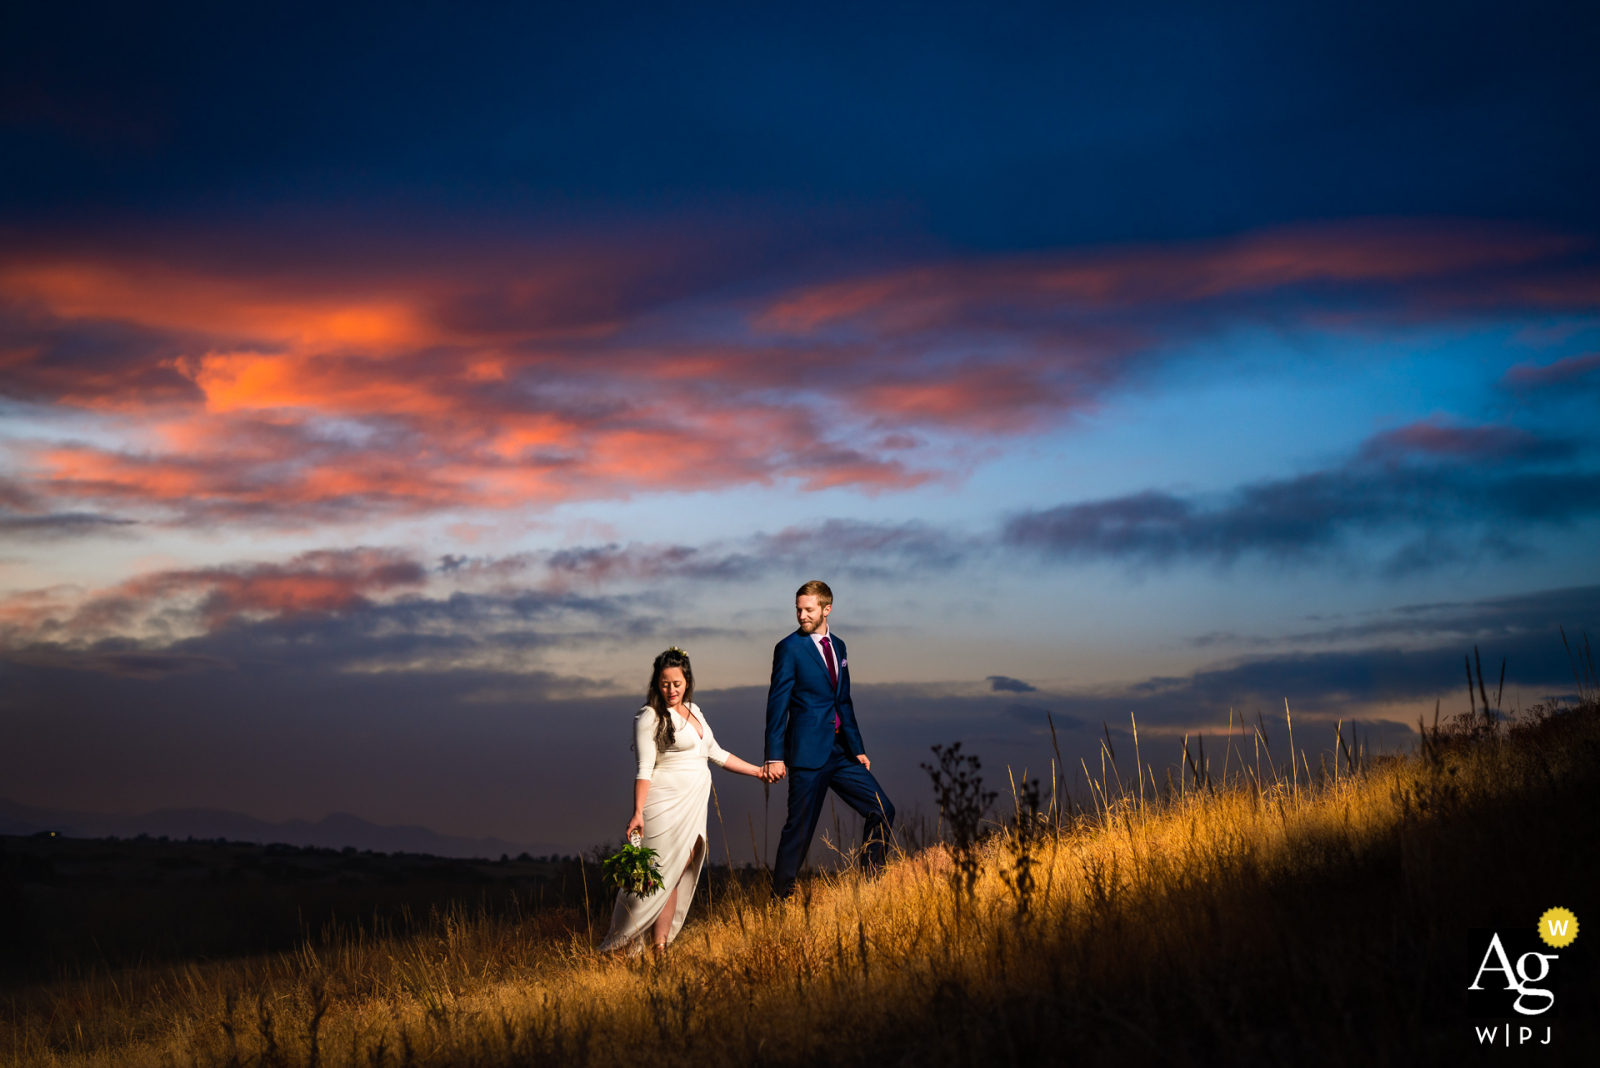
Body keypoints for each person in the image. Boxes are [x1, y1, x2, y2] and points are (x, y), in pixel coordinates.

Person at [598, 647, 768, 953]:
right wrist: (638, 812)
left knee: (675, 876)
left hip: (692, 807)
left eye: (676, 683)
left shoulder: (695, 710)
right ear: (656, 683)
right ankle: (618, 946)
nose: (671, 690)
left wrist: (757, 772)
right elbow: (644, 768)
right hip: (663, 806)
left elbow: (716, 754)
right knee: (653, 877)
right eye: (664, 683)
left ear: (686, 681)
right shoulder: (648, 716)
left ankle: (659, 949)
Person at [763, 580, 895, 900]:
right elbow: (777, 704)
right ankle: (781, 900)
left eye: (808, 609)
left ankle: (869, 886)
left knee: (883, 810)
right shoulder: (789, 648)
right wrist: (773, 755)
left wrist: (858, 749)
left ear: (826, 609)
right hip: (806, 753)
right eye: (798, 609)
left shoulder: (840, 647)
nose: (802, 615)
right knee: (800, 829)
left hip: (841, 752)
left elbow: (843, 701)